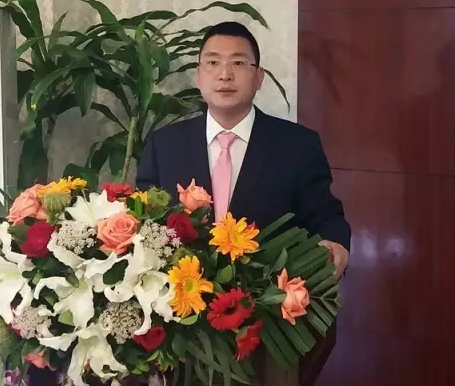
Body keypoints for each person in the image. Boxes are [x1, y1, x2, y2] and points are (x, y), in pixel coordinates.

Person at [135, 21, 351, 385]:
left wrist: (336, 243)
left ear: (258, 77)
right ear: (199, 76)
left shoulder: (297, 145)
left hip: (266, 326)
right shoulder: (164, 144)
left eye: (238, 63)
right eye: (213, 63)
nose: (225, 74)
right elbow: (144, 222)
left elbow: (325, 215)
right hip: (183, 324)